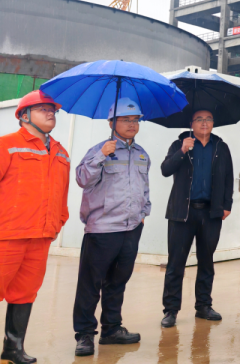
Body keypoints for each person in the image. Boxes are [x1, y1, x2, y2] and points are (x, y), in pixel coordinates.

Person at [73, 98, 151, 357]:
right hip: (102, 229)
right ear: (111, 123)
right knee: (90, 284)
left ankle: (112, 329)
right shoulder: (99, 150)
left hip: (131, 229)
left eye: (135, 120)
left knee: (118, 282)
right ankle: (85, 334)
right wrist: (101, 155)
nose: (132, 124)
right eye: (125, 120)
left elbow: (144, 188)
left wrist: (143, 213)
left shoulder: (141, 154)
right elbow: (82, 179)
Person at [0, 91, 70, 364]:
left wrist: (58, 222)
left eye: (53, 109)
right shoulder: (7, 145)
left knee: (25, 292)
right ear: (24, 115)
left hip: (41, 236)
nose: (50, 112)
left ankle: (13, 349)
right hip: (7, 235)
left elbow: (62, 194)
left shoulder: (61, 152)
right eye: (42, 109)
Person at [160, 109, 234, 328]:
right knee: (176, 263)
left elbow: (229, 177)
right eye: (199, 119)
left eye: (208, 119)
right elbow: (165, 169)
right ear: (191, 123)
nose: (204, 123)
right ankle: (171, 310)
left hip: (210, 213)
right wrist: (183, 150)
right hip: (182, 212)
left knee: (206, 262)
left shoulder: (221, 147)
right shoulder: (179, 144)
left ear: (213, 123)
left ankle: (203, 306)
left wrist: (227, 205)